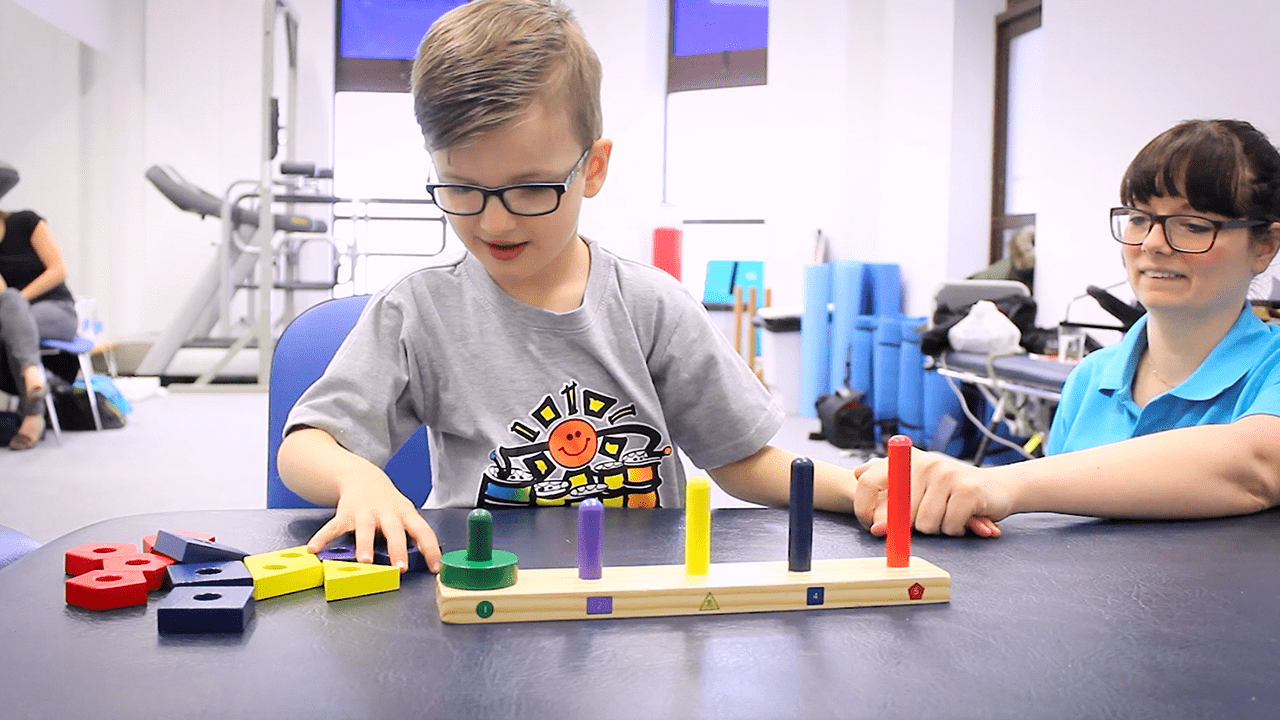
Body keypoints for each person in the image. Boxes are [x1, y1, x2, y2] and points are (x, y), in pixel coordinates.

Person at [278, 0, 859, 572]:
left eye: (532, 188)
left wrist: (863, 491)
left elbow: (744, 459)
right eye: (461, 188)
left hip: (640, 613)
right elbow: (303, 447)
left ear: (593, 168)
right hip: (485, 605)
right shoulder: (418, 312)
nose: (494, 222)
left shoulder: (652, 308)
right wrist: (357, 476)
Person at [853, 119, 1280, 537]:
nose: (1151, 243)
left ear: (1263, 246)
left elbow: (1253, 465)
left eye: (1193, 226)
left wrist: (1002, 483)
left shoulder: (1270, 368)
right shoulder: (1091, 379)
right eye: (1138, 218)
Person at [0, 209, 78, 450]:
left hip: (57, 310)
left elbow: (58, 269)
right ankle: (32, 373)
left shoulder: (25, 222)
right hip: (17, 323)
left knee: (14, 311)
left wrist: (18, 303)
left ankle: (34, 414)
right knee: (14, 323)